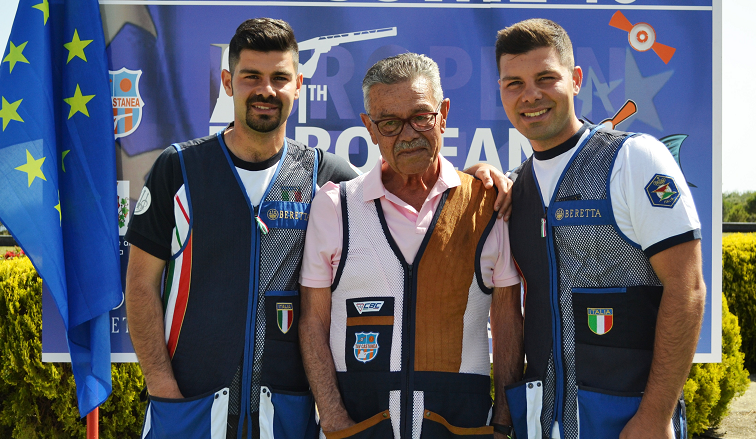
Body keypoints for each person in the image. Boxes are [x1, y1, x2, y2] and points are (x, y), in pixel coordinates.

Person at [124, 18, 360, 438]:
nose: (266, 90)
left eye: (279, 78)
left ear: (298, 84)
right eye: (251, 77)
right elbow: (140, 286)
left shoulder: (326, 175)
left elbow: (404, 203)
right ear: (228, 82)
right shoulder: (178, 170)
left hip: (287, 414)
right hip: (189, 408)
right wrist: (162, 387)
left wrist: (477, 178)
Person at [496, 19, 706, 439]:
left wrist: (656, 414)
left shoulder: (633, 158)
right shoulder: (513, 186)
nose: (530, 95)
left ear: (575, 80)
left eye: (545, 78)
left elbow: (688, 288)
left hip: (629, 421)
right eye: (514, 83)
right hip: (540, 422)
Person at [299, 53, 524, 439]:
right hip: (357, 427)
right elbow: (312, 322)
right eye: (389, 123)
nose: (408, 134)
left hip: (462, 427)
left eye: (422, 116)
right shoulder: (335, 206)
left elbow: (506, 322)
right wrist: (335, 420)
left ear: (444, 114)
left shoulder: (487, 204)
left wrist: (502, 423)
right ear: (369, 127)